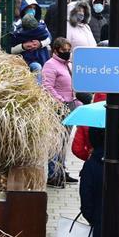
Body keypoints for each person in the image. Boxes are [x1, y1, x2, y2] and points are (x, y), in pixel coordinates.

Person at [41, 37, 79, 188]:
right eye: (64, 51)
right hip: (58, 107)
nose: (67, 53)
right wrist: (60, 101)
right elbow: (47, 87)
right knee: (56, 142)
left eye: (69, 50)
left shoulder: (68, 65)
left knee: (64, 141)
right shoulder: (50, 65)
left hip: (70, 105)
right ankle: (53, 174)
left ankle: (61, 170)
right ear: (55, 51)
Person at [9, 0, 51, 73]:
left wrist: (40, 44)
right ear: (23, 9)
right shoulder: (16, 25)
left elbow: (49, 38)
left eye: (34, 8)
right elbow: (10, 48)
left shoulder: (41, 23)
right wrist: (23, 46)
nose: (32, 10)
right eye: (29, 8)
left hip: (42, 58)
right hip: (23, 61)